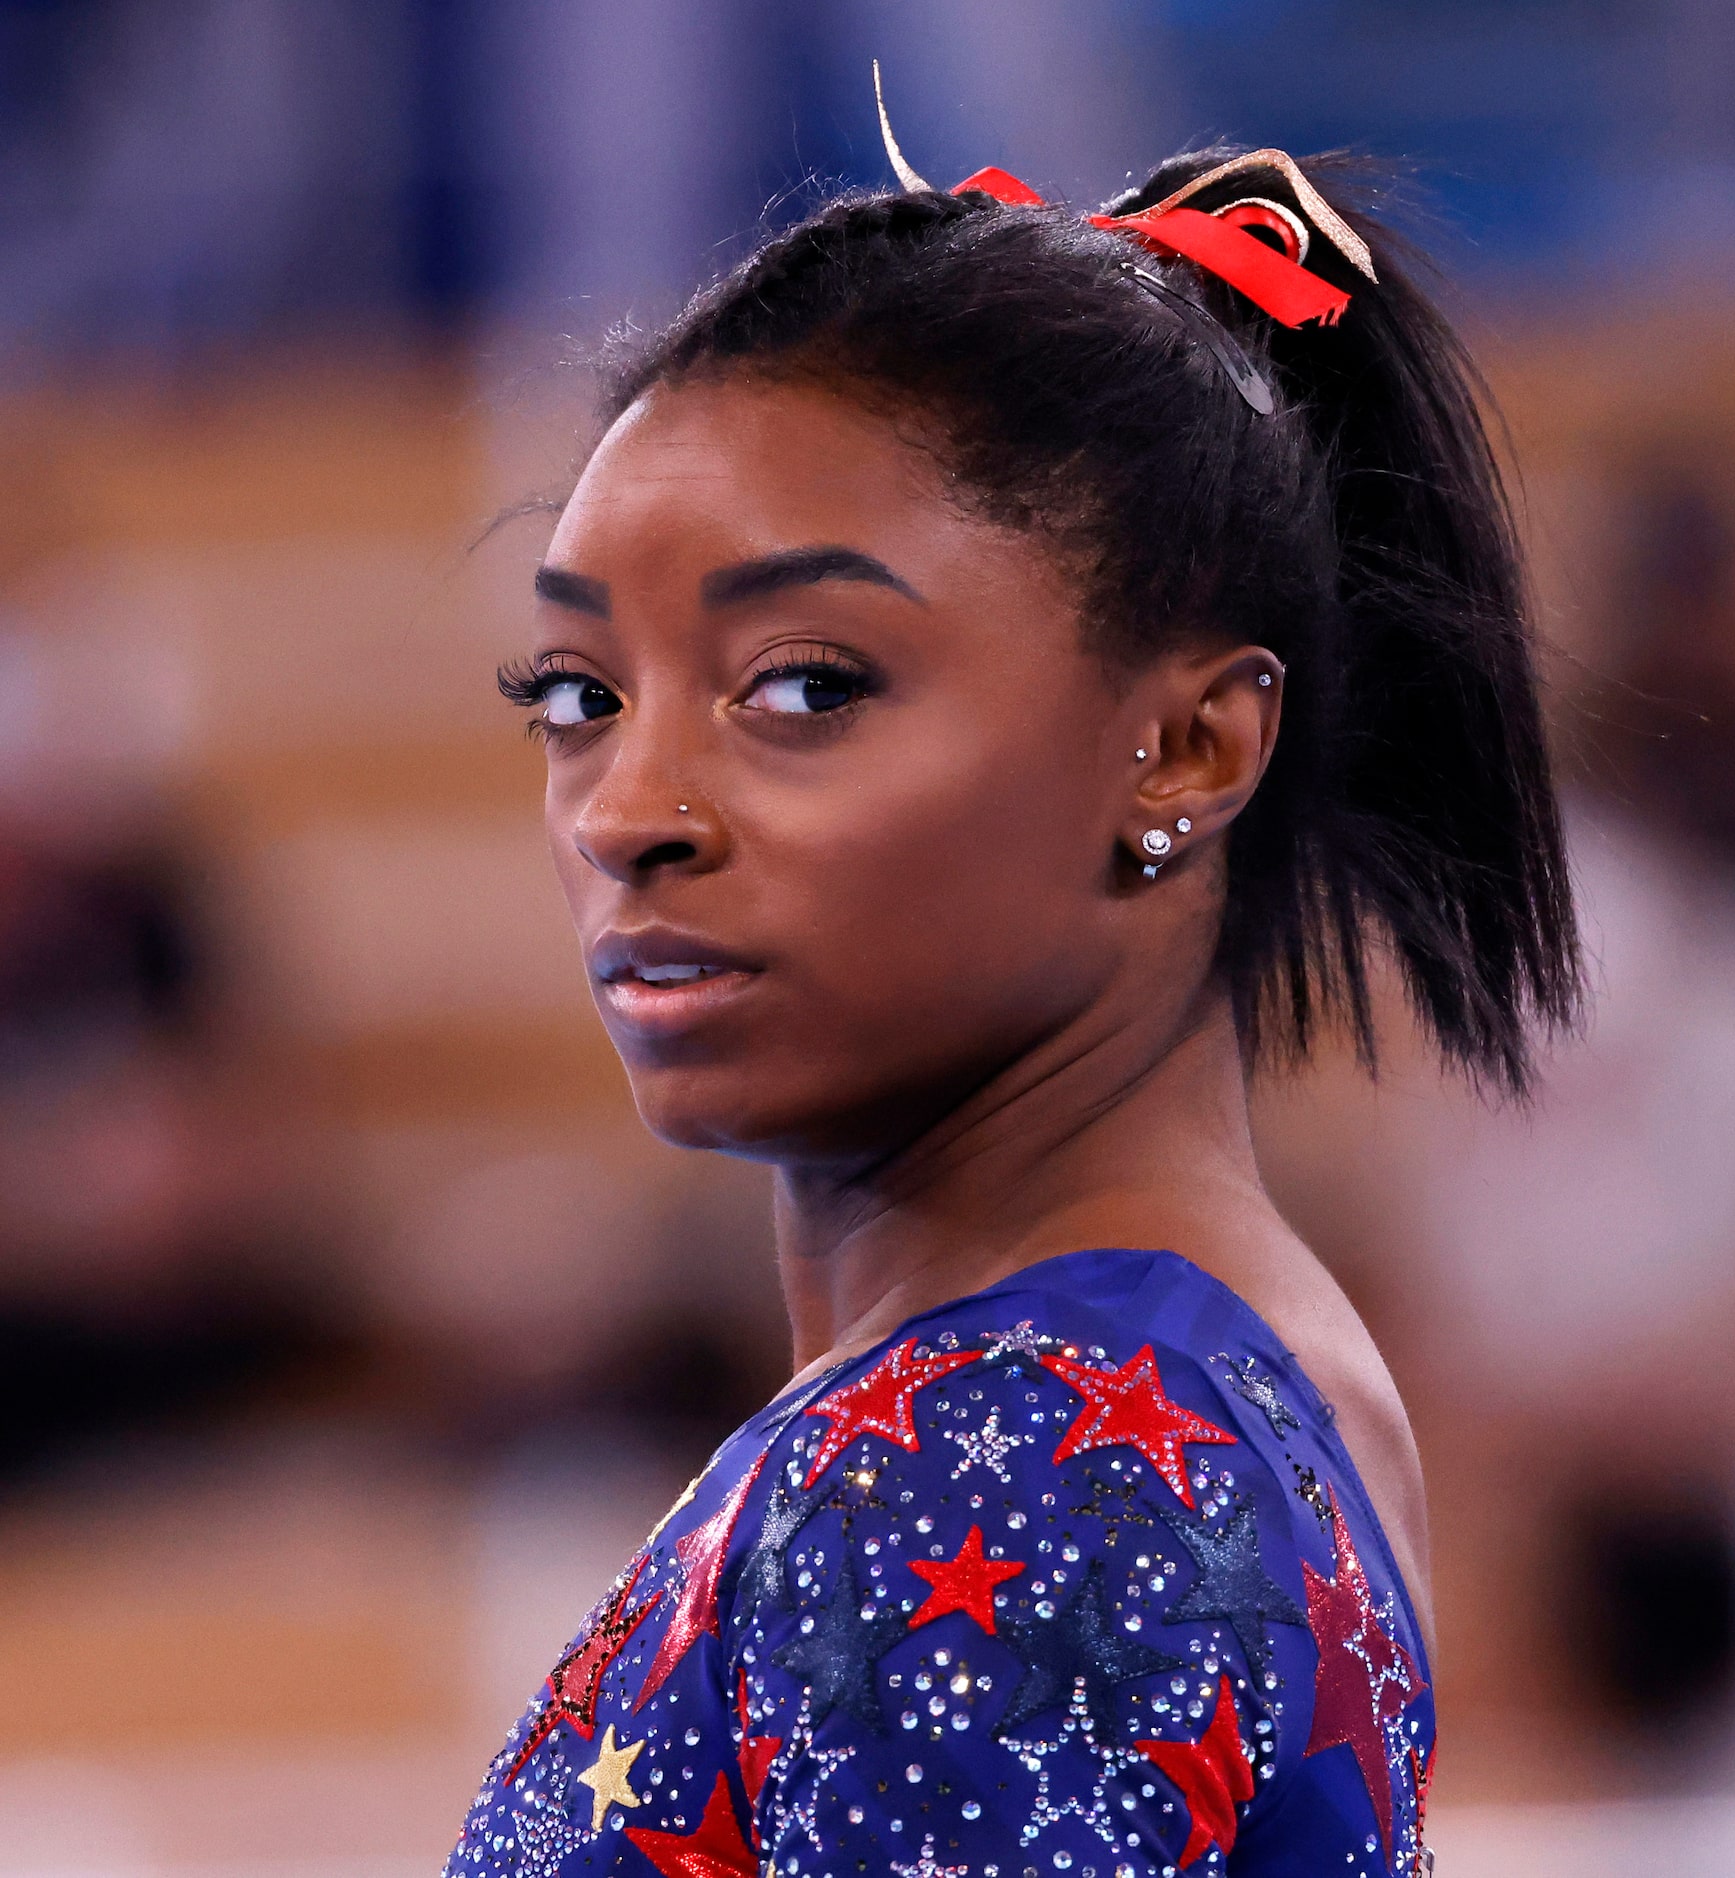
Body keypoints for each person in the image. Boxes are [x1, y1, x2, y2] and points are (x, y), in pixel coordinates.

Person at [444, 133, 1575, 1878]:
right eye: (580, 690)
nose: (624, 809)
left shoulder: (997, 1461)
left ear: (1189, 745)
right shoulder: (1183, 1375)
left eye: (803, 684)